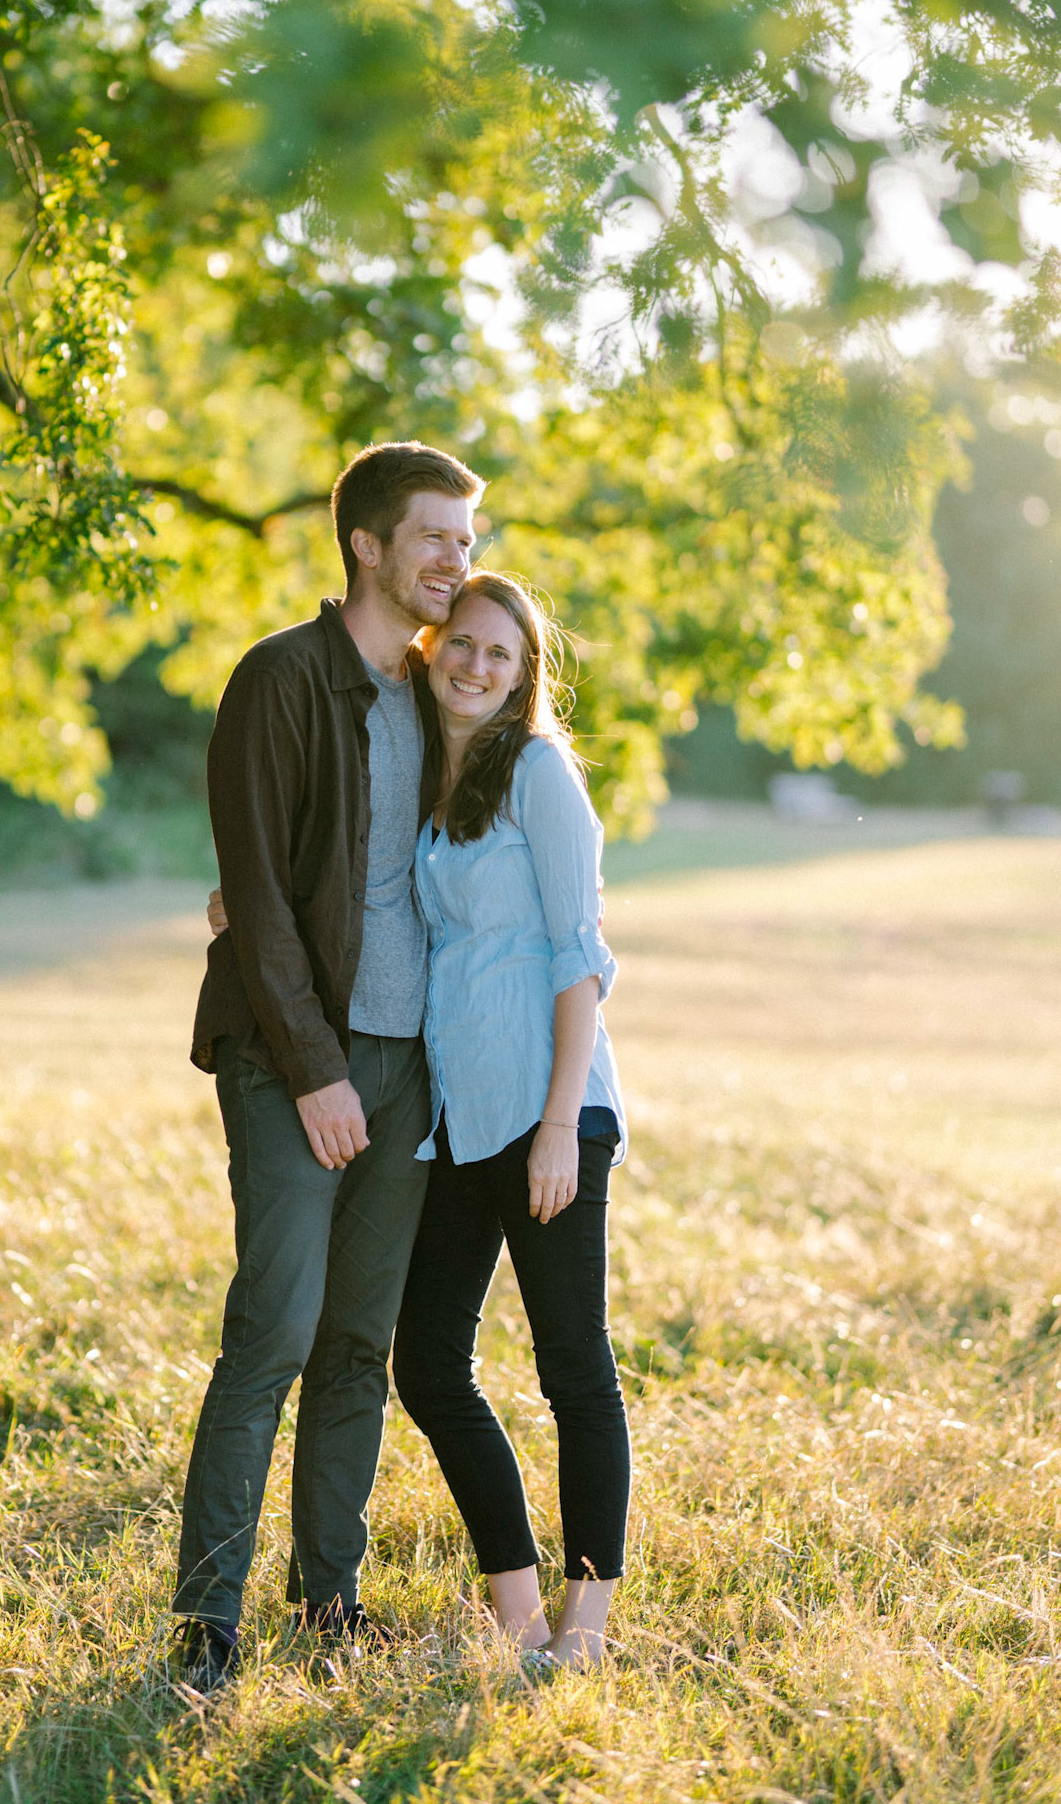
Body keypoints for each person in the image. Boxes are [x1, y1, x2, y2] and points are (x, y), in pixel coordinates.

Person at [173, 441, 481, 1691]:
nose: (458, 560)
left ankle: (328, 1603)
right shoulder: (283, 679)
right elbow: (254, 892)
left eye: (468, 538)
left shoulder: (437, 687)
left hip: (410, 1066)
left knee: (360, 1341)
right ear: (367, 543)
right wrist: (313, 1069)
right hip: (296, 1057)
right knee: (275, 1331)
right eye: (436, 536)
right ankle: (205, 1625)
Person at [391, 571, 631, 1671]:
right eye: (466, 645)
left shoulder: (540, 771)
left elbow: (581, 955)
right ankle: (520, 1616)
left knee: (573, 1365)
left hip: (549, 1112)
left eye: (504, 653)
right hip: (463, 1121)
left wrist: (555, 1126)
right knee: (431, 1362)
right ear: (433, 643)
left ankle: (582, 1631)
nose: (480, 665)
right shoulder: (436, 786)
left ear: (526, 672)